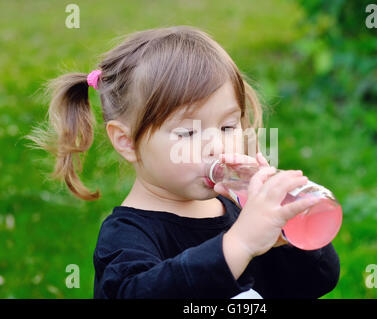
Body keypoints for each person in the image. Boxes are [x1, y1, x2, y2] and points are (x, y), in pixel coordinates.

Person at [27, 25, 340, 298]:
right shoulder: (126, 237)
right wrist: (238, 245)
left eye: (228, 126)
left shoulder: (239, 210)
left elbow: (315, 283)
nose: (216, 146)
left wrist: (288, 232)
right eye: (189, 132)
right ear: (127, 141)